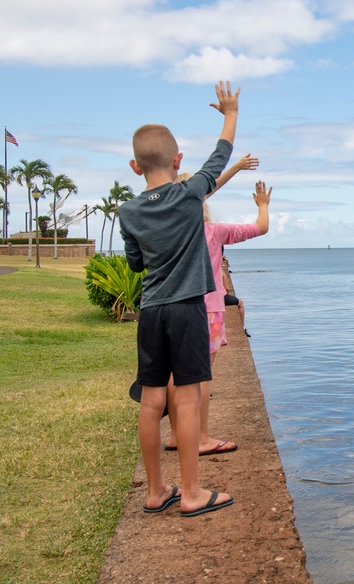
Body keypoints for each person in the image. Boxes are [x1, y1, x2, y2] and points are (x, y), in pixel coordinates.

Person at [119, 81, 239, 517]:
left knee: (152, 401)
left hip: (151, 312)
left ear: (135, 166)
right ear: (178, 161)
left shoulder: (128, 212)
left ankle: (156, 491)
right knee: (186, 399)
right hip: (187, 309)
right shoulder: (190, 194)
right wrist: (230, 113)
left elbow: (135, 264)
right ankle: (191, 492)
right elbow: (220, 156)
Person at [164, 180, 271, 454]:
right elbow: (260, 228)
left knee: (176, 374)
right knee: (200, 377)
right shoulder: (212, 232)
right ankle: (200, 437)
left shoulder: (168, 233)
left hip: (174, 308)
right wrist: (263, 206)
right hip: (207, 309)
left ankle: (177, 435)